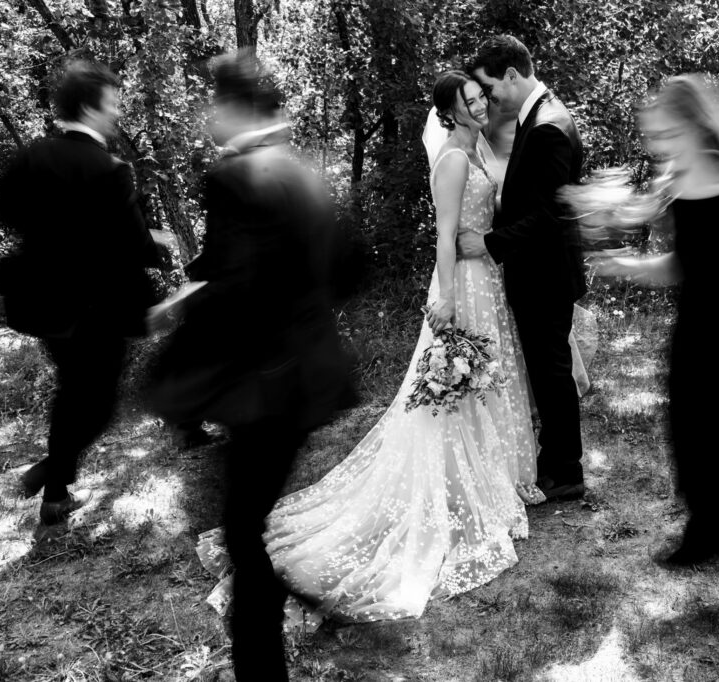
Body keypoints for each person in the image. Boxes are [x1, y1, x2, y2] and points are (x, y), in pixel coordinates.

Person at [195, 70, 541, 635]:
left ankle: (488, 474)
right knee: (453, 393)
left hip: (488, 283)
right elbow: (445, 235)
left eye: (481, 97)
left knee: (483, 384)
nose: (480, 105)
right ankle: (456, 485)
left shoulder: (475, 149)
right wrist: (448, 299)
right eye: (469, 102)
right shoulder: (453, 161)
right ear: (448, 114)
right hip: (461, 288)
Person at [147, 50, 353, 681]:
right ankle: (285, 605)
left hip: (266, 384)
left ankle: (260, 671)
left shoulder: (235, 176)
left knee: (241, 530)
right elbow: (350, 267)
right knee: (247, 522)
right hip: (311, 375)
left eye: (214, 105)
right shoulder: (304, 170)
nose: (210, 119)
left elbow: (240, 284)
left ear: (231, 107)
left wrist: (182, 313)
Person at [591, 75, 719, 620]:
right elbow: (685, 266)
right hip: (693, 342)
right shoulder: (678, 186)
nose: (657, 144)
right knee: (699, 467)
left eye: (664, 132)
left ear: (692, 124)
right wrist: (627, 267)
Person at [0, 60, 160, 538]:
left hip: (41, 304)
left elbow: (6, 212)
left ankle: (55, 495)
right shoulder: (109, 168)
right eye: (113, 104)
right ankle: (51, 472)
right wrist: (155, 252)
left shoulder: (31, 157)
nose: (117, 113)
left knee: (71, 393)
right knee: (100, 404)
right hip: (94, 307)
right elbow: (130, 246)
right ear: (90, 106)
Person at [460, 35, 587, 500]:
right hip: (542, 268)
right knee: (547, 368)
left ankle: (566, 470)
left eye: (491, 88)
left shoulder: (549, 125)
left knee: (551, 370)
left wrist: (489, 243)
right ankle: (556, 460)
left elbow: (548, 214)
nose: (490, 99)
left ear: (512, 74)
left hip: (545, 272)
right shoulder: (540, 114)